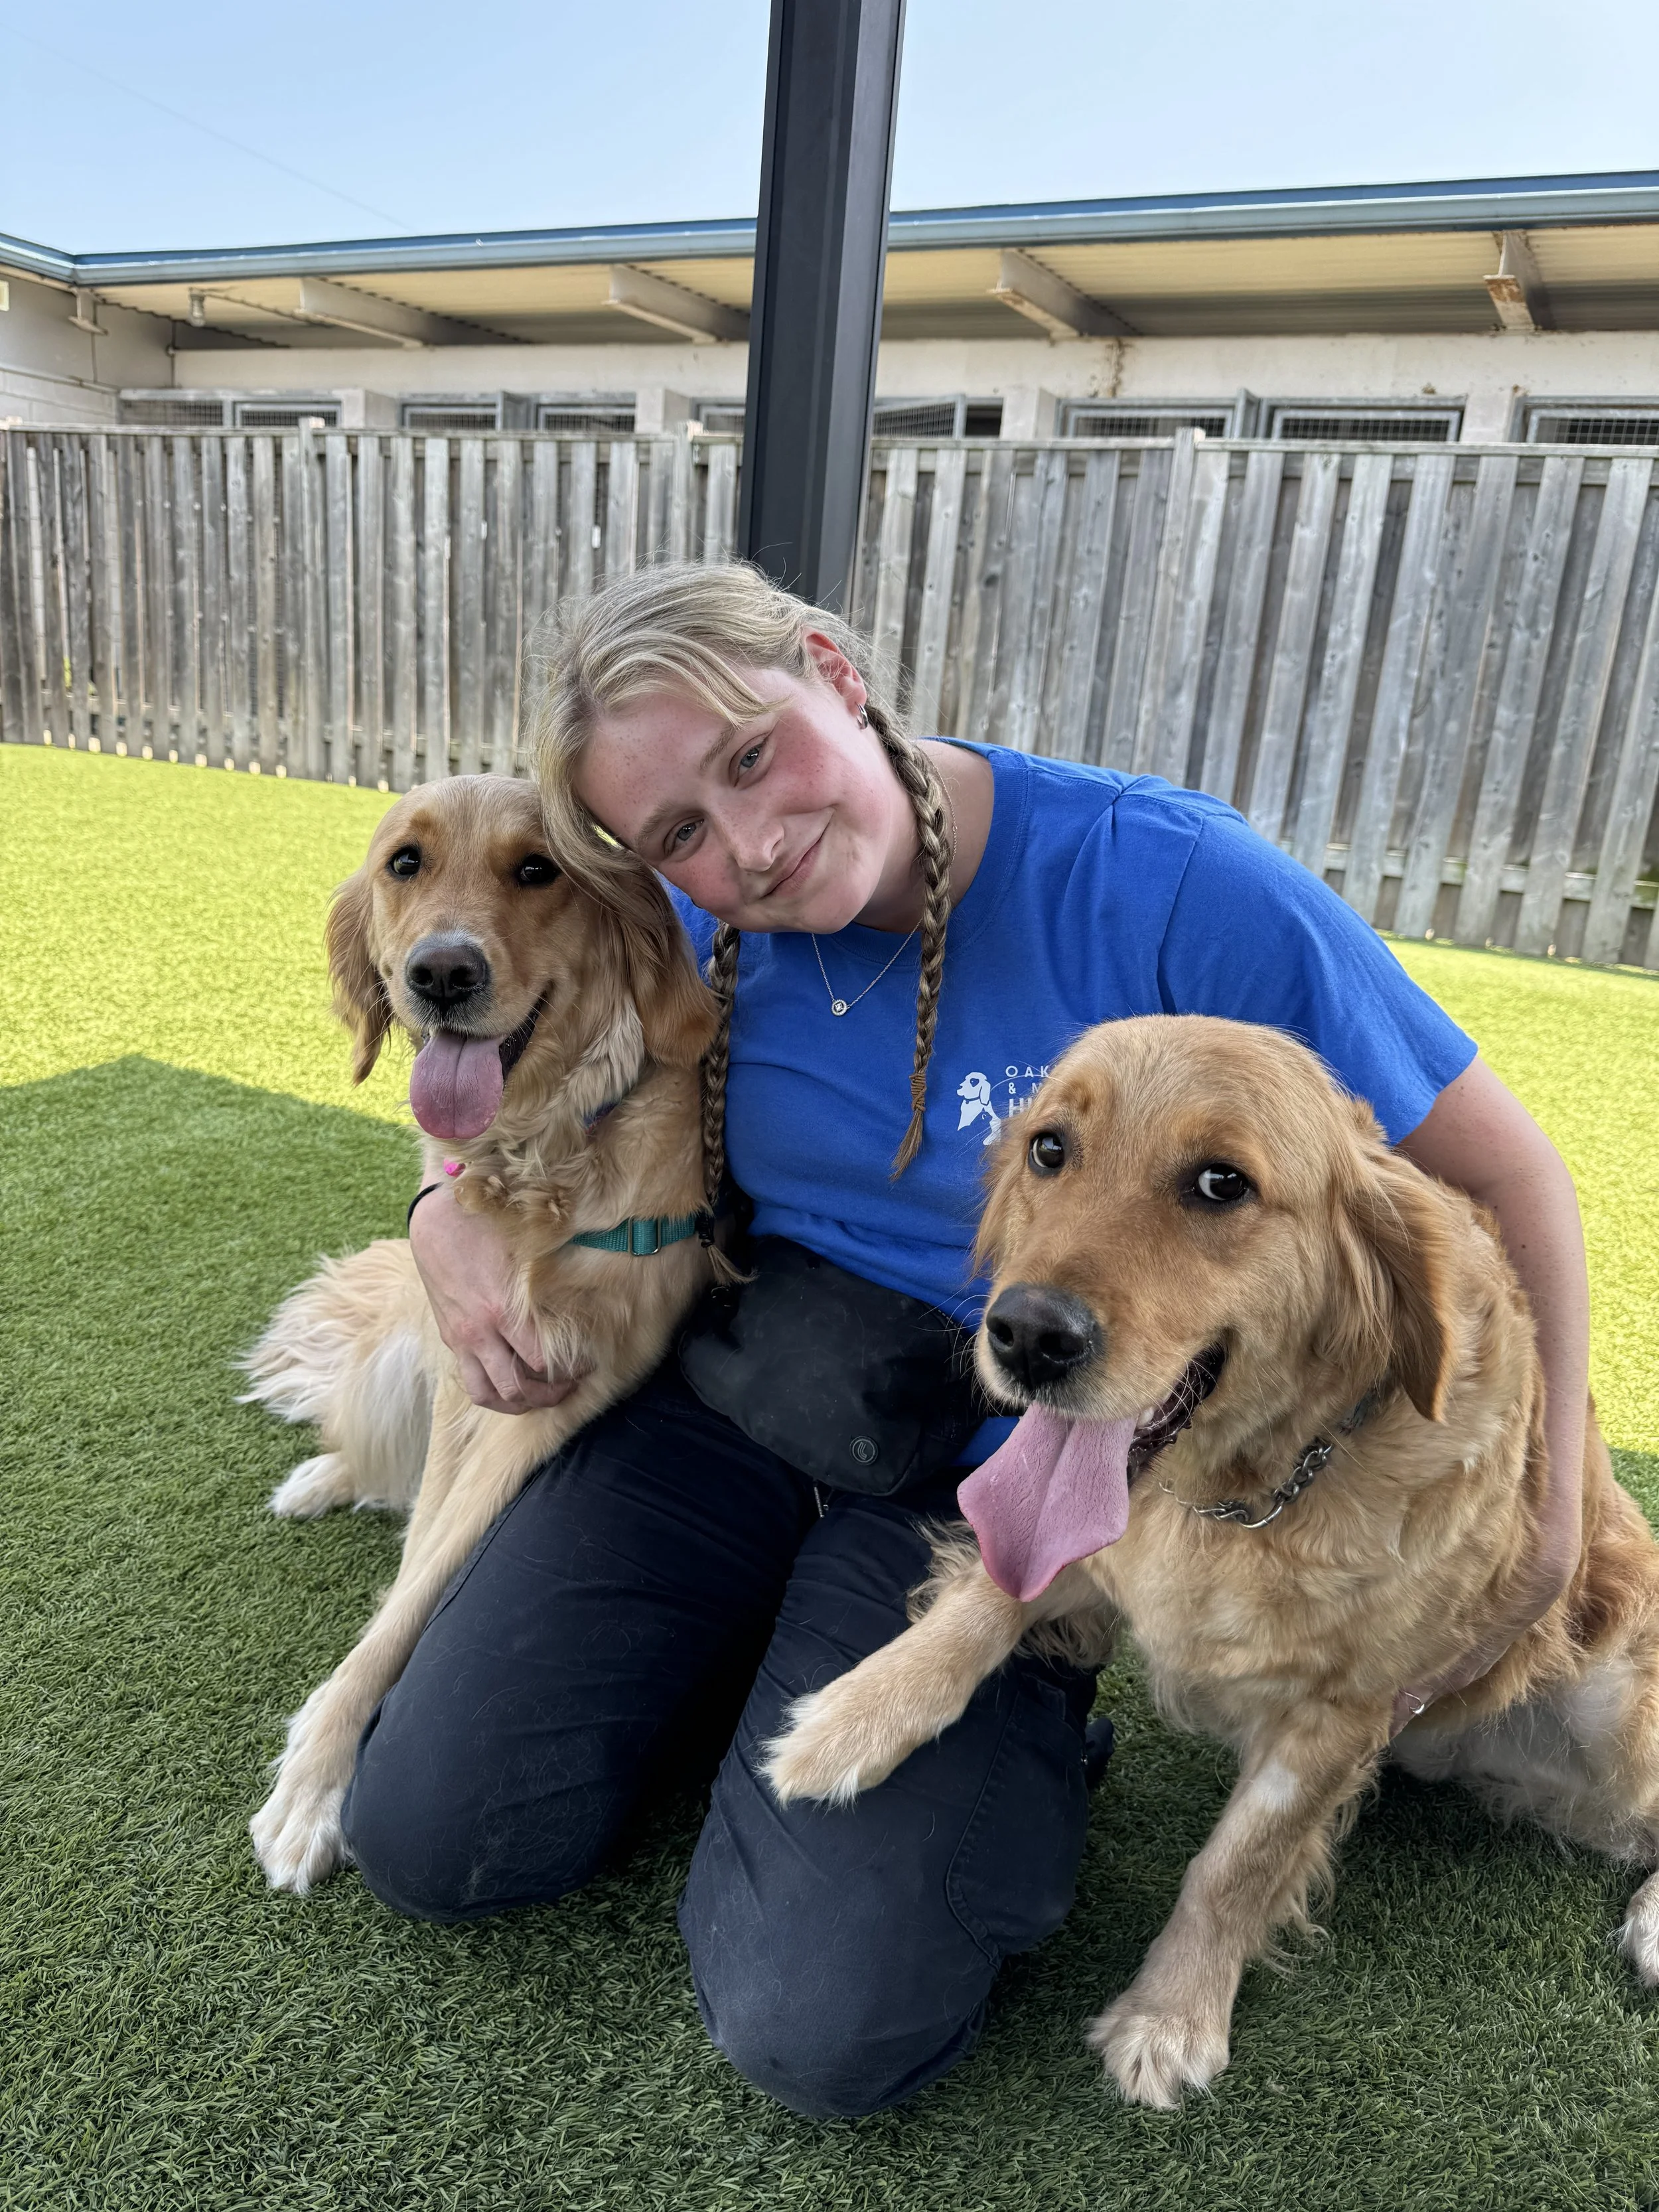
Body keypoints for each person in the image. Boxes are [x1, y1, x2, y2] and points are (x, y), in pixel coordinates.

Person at [338, 561, 1589, 2119]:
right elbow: (500, 1055)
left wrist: (1549, 1516)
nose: (746, 846)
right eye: (676, 834)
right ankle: (740, 1641)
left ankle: (1010, 1735)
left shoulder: (1169, 880)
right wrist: (437, 1214)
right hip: (738, 1393)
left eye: (751, 757)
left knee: (821, 2024)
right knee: (435, 1835)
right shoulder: (682, 914)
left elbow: (1501, 1175)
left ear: (830, 671)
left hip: (1021, 1463)